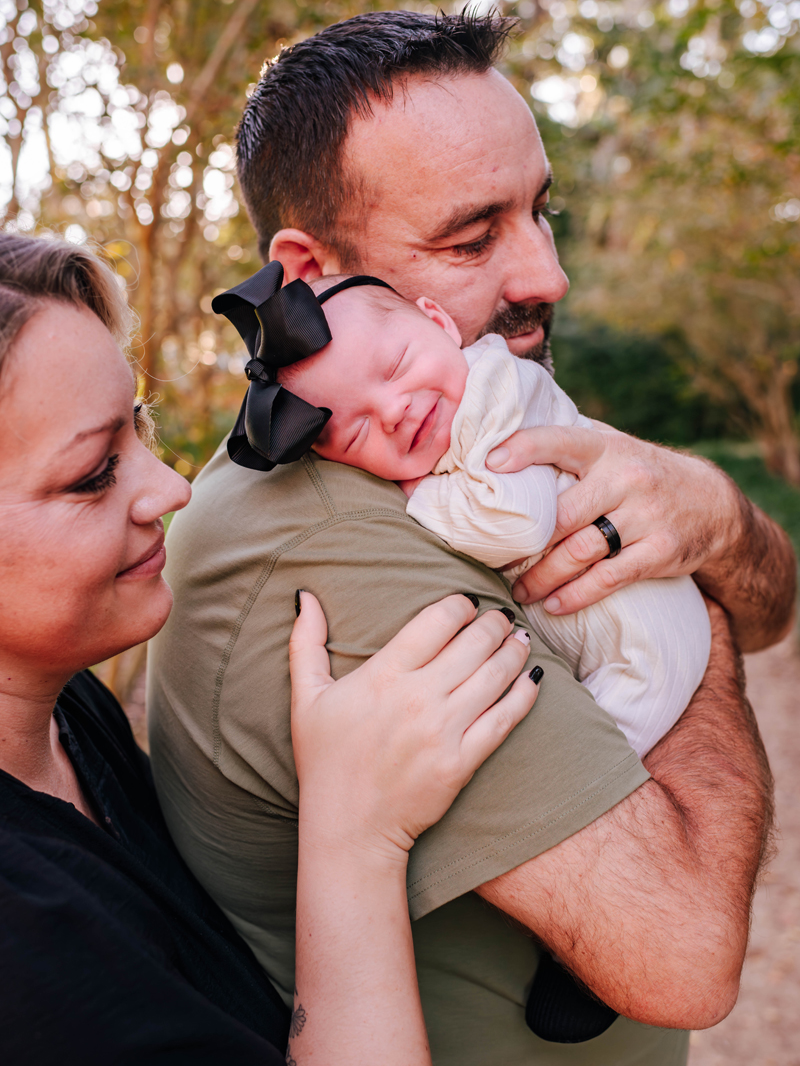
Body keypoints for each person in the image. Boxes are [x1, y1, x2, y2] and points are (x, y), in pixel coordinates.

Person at [148, 12, 787, 1066]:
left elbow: (774, 602)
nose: (547, 270)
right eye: (470, 234)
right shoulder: (325, 542)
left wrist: (711, 516)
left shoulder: (452, 413)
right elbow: (685, 957)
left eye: (539, 209)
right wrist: (680, 588)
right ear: (306, 272)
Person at [0, 230, 541, 1066]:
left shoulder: (65, 716)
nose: (170, 489)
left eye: (140, 431)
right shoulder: (25, 948)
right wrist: (355, 837)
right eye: (92, 475)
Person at [251, 268, 711, 762]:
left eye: (396, 365)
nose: (391, 410)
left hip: (645, 645)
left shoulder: (493, 390)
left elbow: (518, 523)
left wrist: (418, 494)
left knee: (584, 775)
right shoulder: (444, 428)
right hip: (606, 635)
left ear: (439, 323)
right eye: (357, 431)